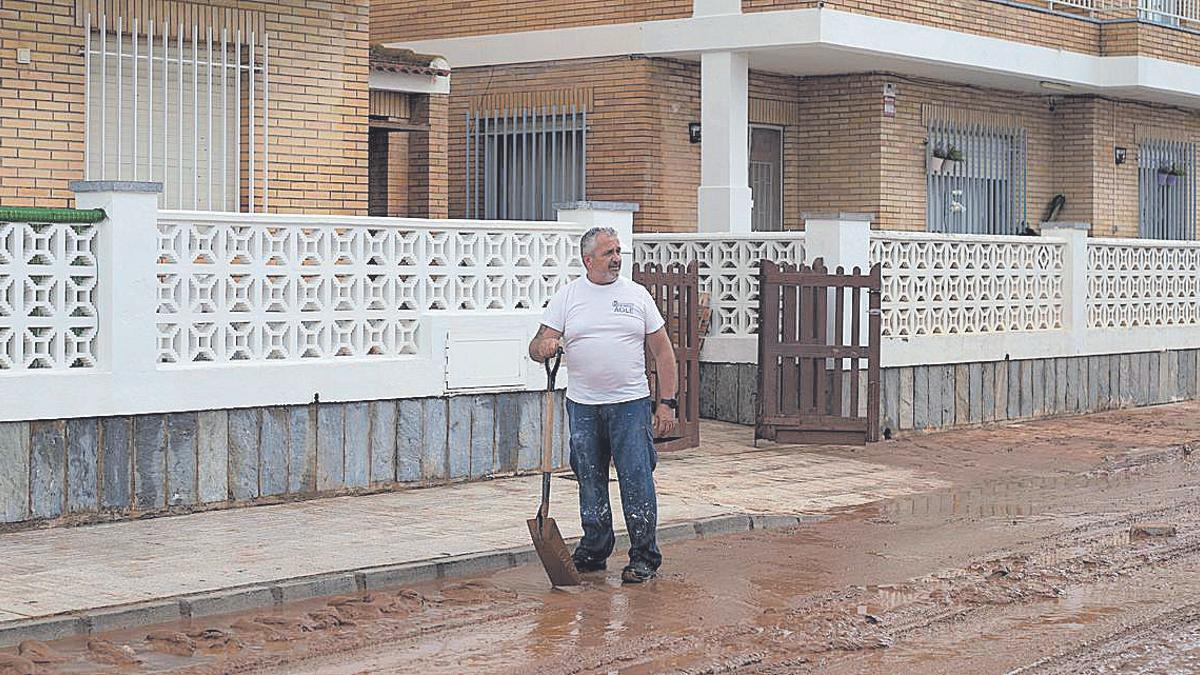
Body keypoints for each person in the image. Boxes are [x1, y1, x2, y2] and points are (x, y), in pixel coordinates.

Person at [528, 226, 678, 584]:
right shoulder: (568, 297)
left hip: (630, 405)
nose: (616, 258)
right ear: (588, 259)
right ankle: (595, 550)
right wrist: (544, 348)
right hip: (583, 407)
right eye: (608, 252)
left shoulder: (637, 296)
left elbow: (663, 352)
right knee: (589, 478)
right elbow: (536, 345)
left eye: (618, 251)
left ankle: (644, 557)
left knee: (636, 478)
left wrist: (667, 403)